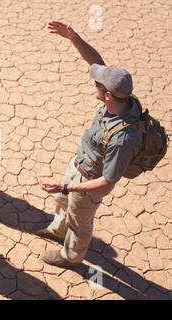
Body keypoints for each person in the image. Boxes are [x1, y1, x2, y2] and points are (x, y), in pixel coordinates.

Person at [35, 21, 142, 268]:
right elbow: (96, 61)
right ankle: (58, 231)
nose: (95, 81)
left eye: (98, 84)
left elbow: (109, 180)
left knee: (80, 221)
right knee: (62, 203)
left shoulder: (123, 138)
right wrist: (74, 37)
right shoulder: (122, 97)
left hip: (90, 182)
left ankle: (71, 256)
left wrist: (67, 186)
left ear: (107, 95)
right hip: (80, 163)